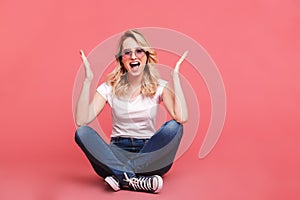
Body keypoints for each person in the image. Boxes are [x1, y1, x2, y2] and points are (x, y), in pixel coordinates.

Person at [74, 29, 188, 193]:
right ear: (122, 59)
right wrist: (87, 80)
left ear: (147, 55)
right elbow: (81, 120)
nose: (134, 56)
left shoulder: (160, 86)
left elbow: (181, 117)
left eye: (139, 50)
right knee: (82, 132)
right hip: (116, 153)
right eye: (127, 52)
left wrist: (175, 78)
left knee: (175, 127)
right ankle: (135, 180)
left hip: (150, 155)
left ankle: (120, 175)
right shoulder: (109, 87)